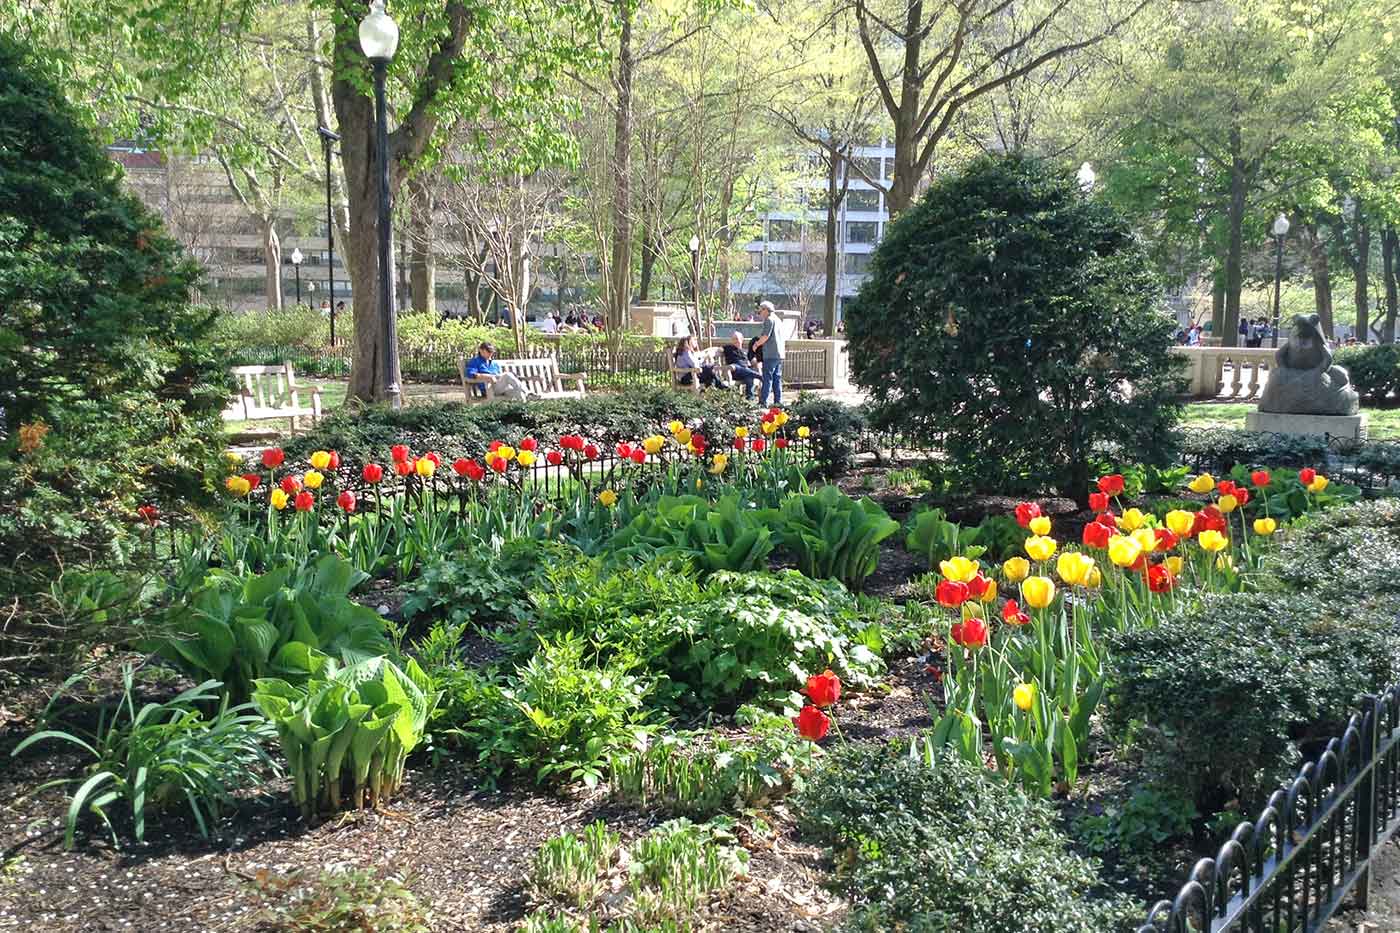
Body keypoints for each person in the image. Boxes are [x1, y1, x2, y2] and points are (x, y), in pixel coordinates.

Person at [463, 341, 529, 400]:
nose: (490, 354)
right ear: (481, 350)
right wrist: (489, 377)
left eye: (491, 352)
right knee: (507, 375)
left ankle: (523, 412)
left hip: (500, 388)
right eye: (488, 351)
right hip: (488, 389)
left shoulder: (494, 364)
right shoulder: (475, 361)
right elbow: (471, 374)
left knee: (519, 393)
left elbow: (499, 376)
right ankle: (528, 393)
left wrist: (500, 376)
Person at [752, 300, 785, 406]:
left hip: (770, 354)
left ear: (766, 310)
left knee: (767, 378)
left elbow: (765, 336)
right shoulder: (778, 320)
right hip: (779, 354)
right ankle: (778, 402)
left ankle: (763, 401)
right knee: (777, 379)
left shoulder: (769, 320)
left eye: (760, 311)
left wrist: (756, 344)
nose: (760, 313)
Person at [722, 330, 761, 399]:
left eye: (737, 339)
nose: (735, 341)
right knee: (739, 366)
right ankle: (760, 376)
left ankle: (750, 399)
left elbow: (752, 361)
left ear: (742, 339)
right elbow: (717, 350)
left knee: (749, 378)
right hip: (734, 371)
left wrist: (756, 362)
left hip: (745, 372)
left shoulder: (745, 352)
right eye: (733, 339)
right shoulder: (728, 348)